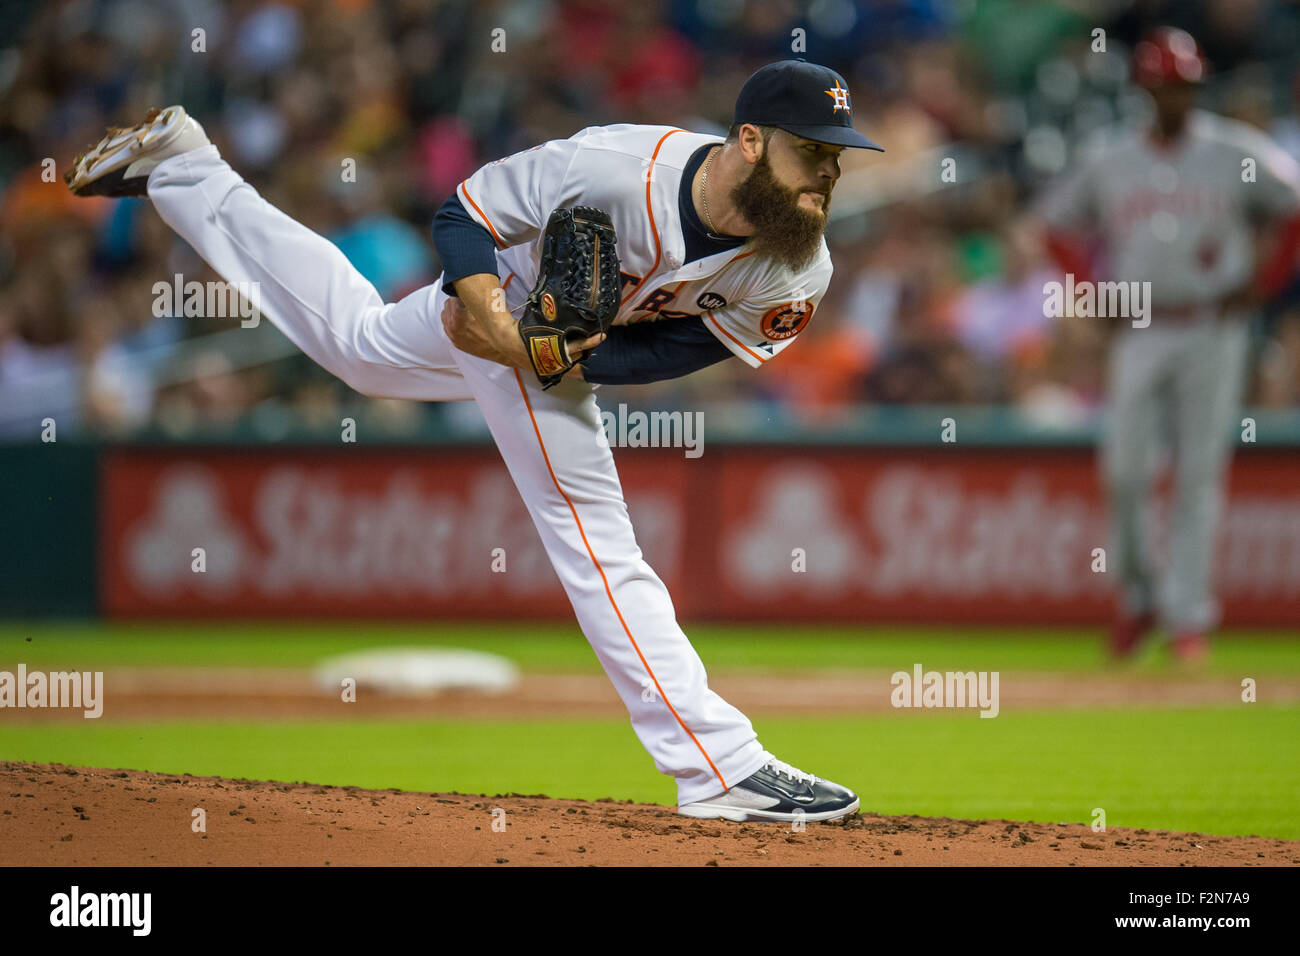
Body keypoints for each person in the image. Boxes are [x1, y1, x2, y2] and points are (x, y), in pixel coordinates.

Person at [65, 60, 883, 821]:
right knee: (595, 537)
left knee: (361, 348)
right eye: (812, 151)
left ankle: (186, 168)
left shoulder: (798, 268)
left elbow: (686, 349)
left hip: (547, 344)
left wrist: (565, 353)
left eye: (838, 156)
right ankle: (721, 767)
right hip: (501, 294)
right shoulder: (615, 167)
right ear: (750, 141)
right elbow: (463, 214)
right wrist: (498, 320)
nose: (828, 172)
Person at [1027, 28, 1300, 662]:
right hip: (1141, 324)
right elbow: (1053, 226)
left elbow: (1292, 210)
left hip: (1212, 324)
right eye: (1165, 86)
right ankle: (1140, 599)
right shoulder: (1111, 156)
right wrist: (1091, 291)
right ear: (1145, 89)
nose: (1176, 97)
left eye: (1185, 86)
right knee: (1124, 472)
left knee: (1197, 476)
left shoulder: (1236, 151)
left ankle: (1187, 619)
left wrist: (1263, 286)